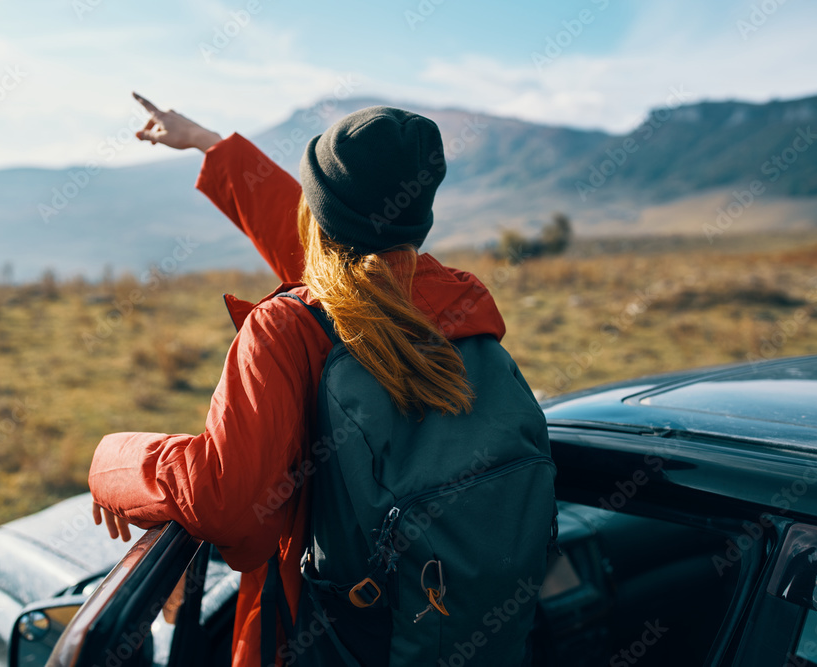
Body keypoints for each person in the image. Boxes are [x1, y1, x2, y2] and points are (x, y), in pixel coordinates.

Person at [89, 93, 516, 666]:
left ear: (320, 215)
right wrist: (208, 143)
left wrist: (111, 463)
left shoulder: (287, 328)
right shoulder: (459, 303)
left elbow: (225, 502)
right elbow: (348, 246)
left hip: (318, 635)